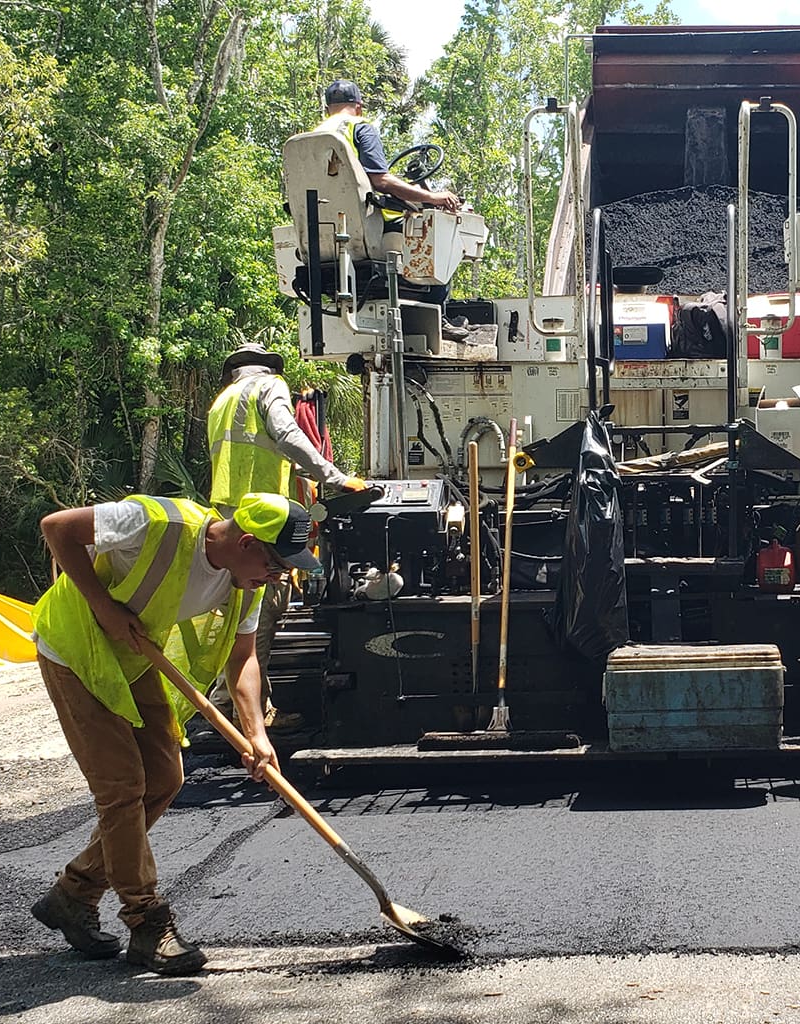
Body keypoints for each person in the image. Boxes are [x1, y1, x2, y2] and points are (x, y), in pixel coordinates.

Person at [29, 492, 316, 974]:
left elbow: (242, 658)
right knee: (122, 788)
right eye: (275, 564)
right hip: (75, 651)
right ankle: (147, 923)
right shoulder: (154, 522)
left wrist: (256, 734)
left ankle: (73, 894)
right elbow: (56, 525)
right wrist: (102, 606)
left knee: (164, 780)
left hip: (133, 657)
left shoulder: (247, 582)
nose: (277, 576)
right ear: (247, 543)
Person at [206, 342, 366, 731]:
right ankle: (251, 716)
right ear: (267, 368)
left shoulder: (222, 401)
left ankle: (227, 700)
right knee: (262, 611)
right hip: (264, 520)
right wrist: (336, 477)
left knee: (238, 612)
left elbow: (262, 451)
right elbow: (286, 433)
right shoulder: (268, 387)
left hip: (229, 517)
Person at [316, 78, 470, 340]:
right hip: (367, 229)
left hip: (322, 234)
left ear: (327, 109)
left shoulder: (314, 136)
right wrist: (431, 197)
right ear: (359, 107)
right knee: (439, 231)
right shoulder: (359, 128)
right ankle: (438, 313)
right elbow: (381, 181)